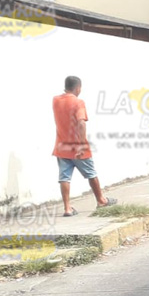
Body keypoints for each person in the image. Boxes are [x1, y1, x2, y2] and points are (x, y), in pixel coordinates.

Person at [53, 76, 117, 216]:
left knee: (64, 177)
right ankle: (101, 200)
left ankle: (67, 208)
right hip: (78, 147)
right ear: (78, 88)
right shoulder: (78, 102)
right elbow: (81, 123)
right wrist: (81, 145)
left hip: (61, 146)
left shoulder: (56, 100)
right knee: (91, 174)